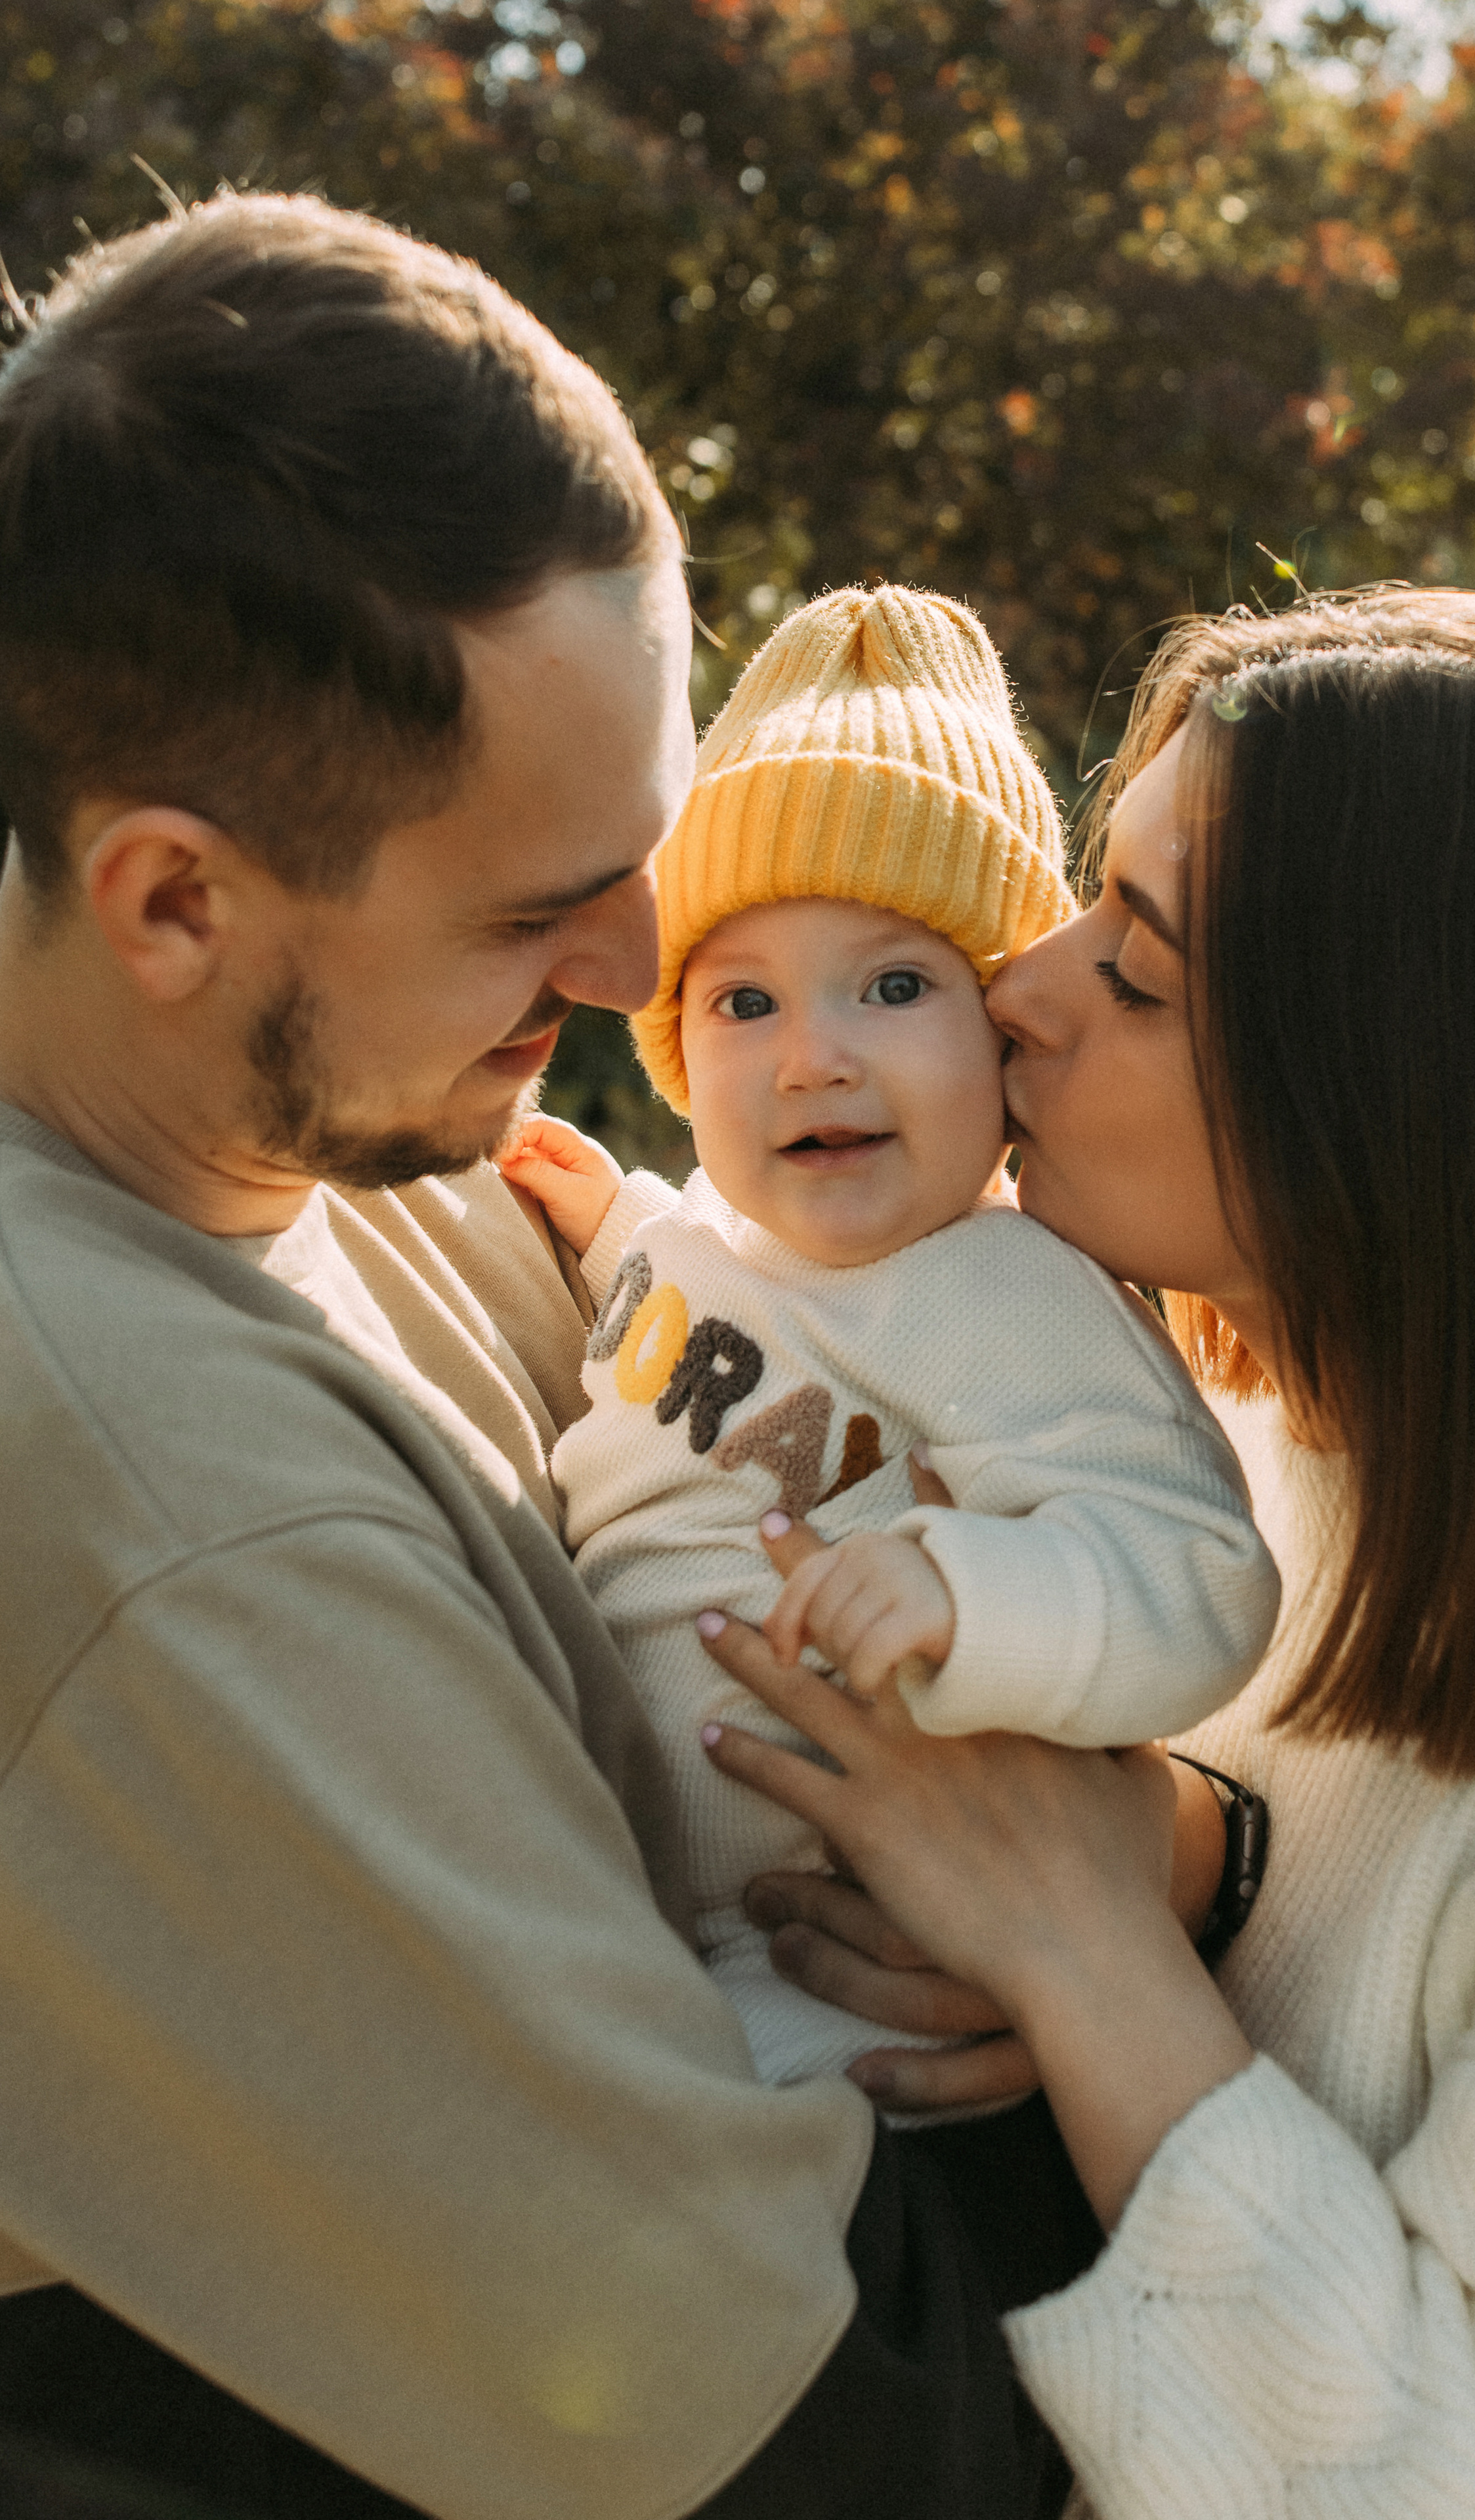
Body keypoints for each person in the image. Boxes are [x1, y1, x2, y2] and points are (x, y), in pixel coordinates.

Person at [0, 190, 1148, 2520]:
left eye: (647, 851)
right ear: (174, 900)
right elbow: (827, 2452)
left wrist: (1160, 1842)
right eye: (540, 906)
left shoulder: (338, 1141)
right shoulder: (170, 1521)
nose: (647, 964)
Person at [693, 587, 1475, 2511]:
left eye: (1132, 973)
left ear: (1405, 1098)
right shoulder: (1208, 1473)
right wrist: (1190, 1860)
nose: (1018, 987)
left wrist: (1090, 1966)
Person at [501, 581, 1279, 2089]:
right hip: (649, 1896)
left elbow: (1189, 1571)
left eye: (896, 985)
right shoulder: (702, 1246)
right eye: (742, 1002)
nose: (813, 1058)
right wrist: (611, 1226)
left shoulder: (1002, 1291)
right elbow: (713, 1336)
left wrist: (967, 1595)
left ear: (1001, 1028)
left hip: (848, 1953)